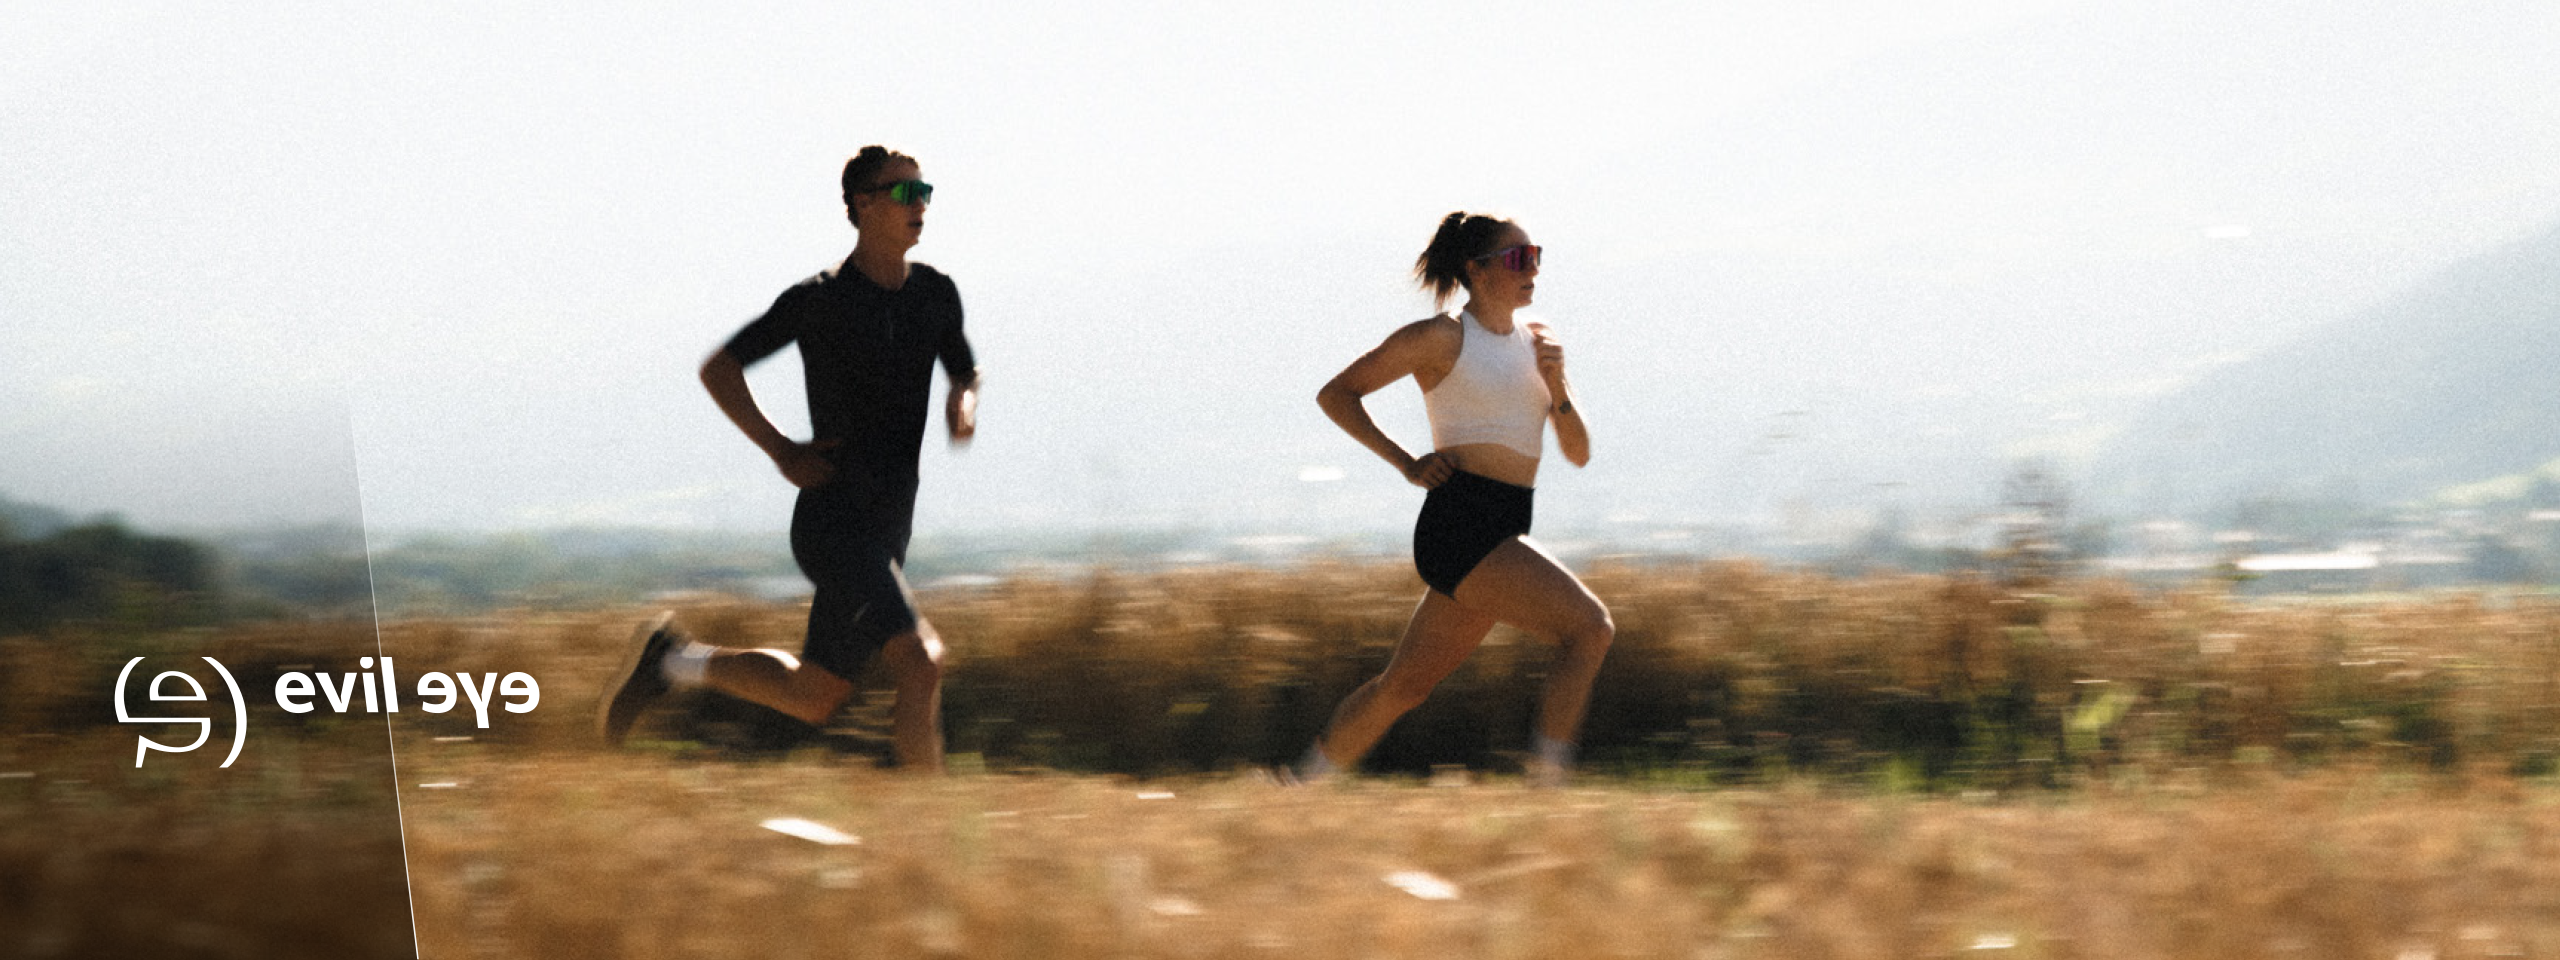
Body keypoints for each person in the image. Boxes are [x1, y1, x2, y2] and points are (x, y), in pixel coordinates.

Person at [598, 146, 981, 771]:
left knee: (814, 696)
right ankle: (936, 829)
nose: (922, 205)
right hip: (834, 521)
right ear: (862, 204)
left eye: (925, 192)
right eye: (906, 193)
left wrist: (962, 405)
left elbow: (964, 371)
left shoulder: (935, 294)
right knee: (920, 659)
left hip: (888, 528)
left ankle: (672, 659)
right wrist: (780, 449)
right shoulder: (820, 300)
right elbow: (720, 368)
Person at [1298, 211, 1612, 786]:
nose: (1532, 269)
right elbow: (1337, 394)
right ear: (1478, 270)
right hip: (1461, 524)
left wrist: (1559, 384)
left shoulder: (1538, 343)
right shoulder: (1440, 338)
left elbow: (1579, 452)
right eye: (1518, 258)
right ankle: (1548, 787)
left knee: (1404, 686)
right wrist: (1406, 462)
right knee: (1590, 627)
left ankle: (1298, 788)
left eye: (1535, 255)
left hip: (1505, 524)